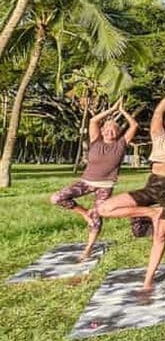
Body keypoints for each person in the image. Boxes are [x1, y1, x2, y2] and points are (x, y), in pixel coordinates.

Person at [99, 78, 165, 291]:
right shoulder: (158, 136)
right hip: (153, 183)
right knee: (104, 208)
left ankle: (148, 280)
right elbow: (158, 112)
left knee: (160, 236)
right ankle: (150, 212)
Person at [51, 98, 138, 260]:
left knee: (97, 217)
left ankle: (88, 249)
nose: (109, 132)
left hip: (105, 186)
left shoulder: (121, 144)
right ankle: (84, 213)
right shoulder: (95, 141)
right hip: (85, 182)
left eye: (113, 130)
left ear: (118, 133)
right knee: (56, 198)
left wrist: (123, 111)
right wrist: (112, 109)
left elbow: (134, 126)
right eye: (107, 129)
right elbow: (93, 120)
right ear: (102, 130)